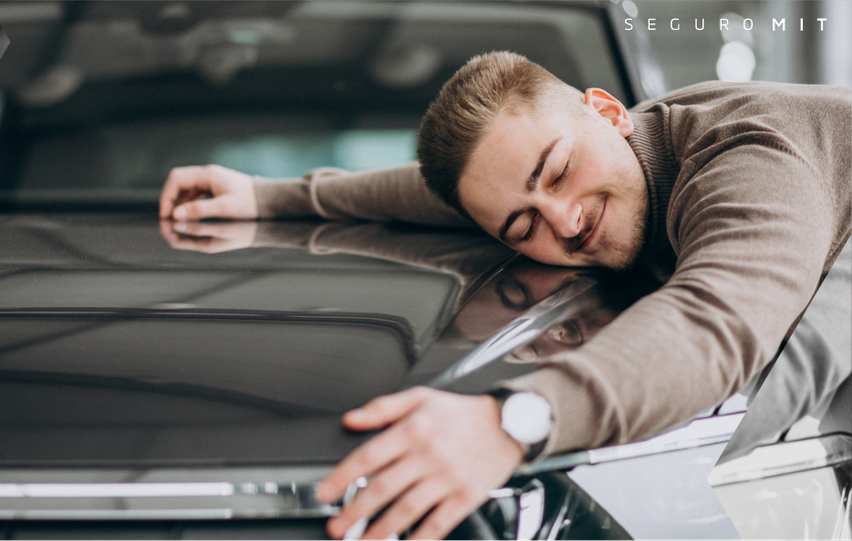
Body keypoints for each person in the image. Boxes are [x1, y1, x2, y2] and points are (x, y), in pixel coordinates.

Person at [159, 52, 852, 540]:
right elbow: (438, 193)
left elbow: (717, 321)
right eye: (522, 228)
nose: (564, 221)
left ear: (611, 113)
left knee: (776, 387)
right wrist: (268, 194)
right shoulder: (589, 154)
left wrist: (511, 421)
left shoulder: (750, 160)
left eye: (559, 172)